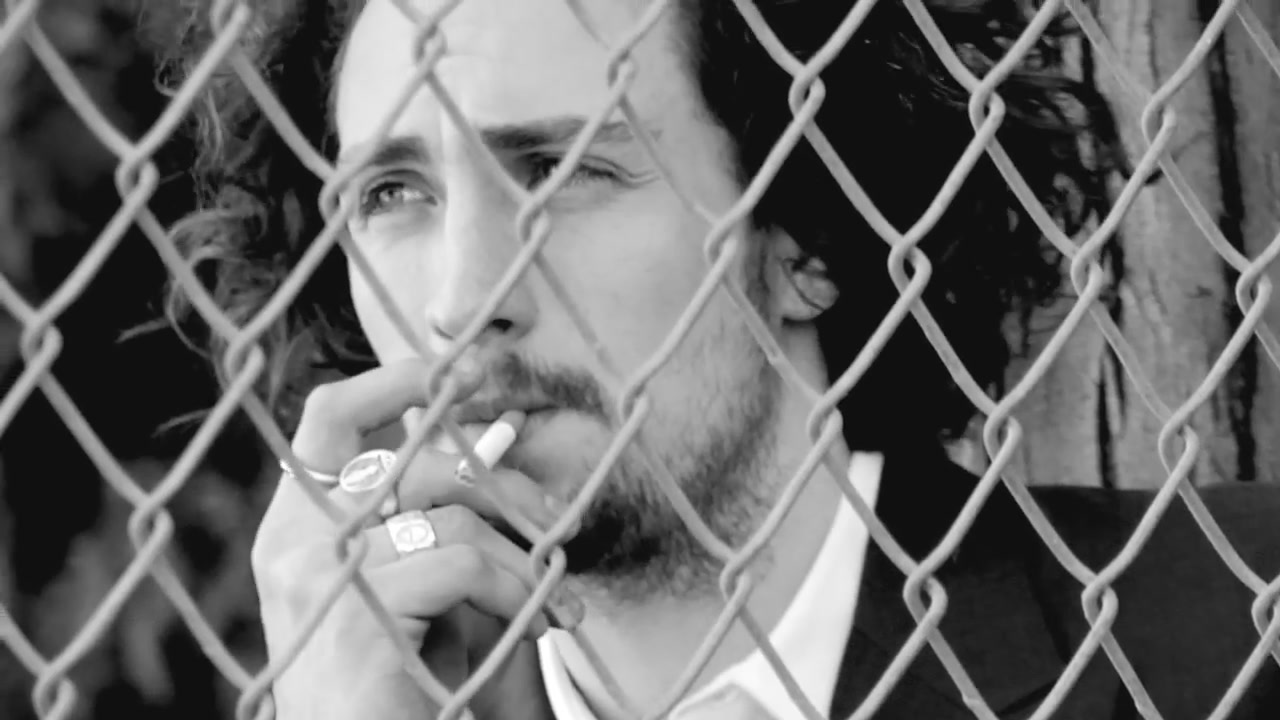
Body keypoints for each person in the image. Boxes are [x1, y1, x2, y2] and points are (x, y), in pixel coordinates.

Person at [156, 0, 1280, 718]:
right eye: (393, 193)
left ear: (808, 240)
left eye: (563, 172)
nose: (460, 299)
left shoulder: (1240, 621)